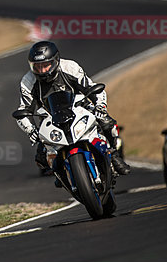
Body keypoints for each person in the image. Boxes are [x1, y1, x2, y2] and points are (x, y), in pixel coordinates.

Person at [14, 40, 131, 175]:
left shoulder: (70, 67)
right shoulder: (28, 81)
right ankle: (61, 174)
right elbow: (23, 110)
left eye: (46, 65)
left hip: (79, 108)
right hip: (50, 119)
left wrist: (100, 107)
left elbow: (92, 88)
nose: (42, 70)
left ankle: (114, 156)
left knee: (106, 122)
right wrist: (31, 130)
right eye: (37, 66)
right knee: (41, 159)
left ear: (55, 61)